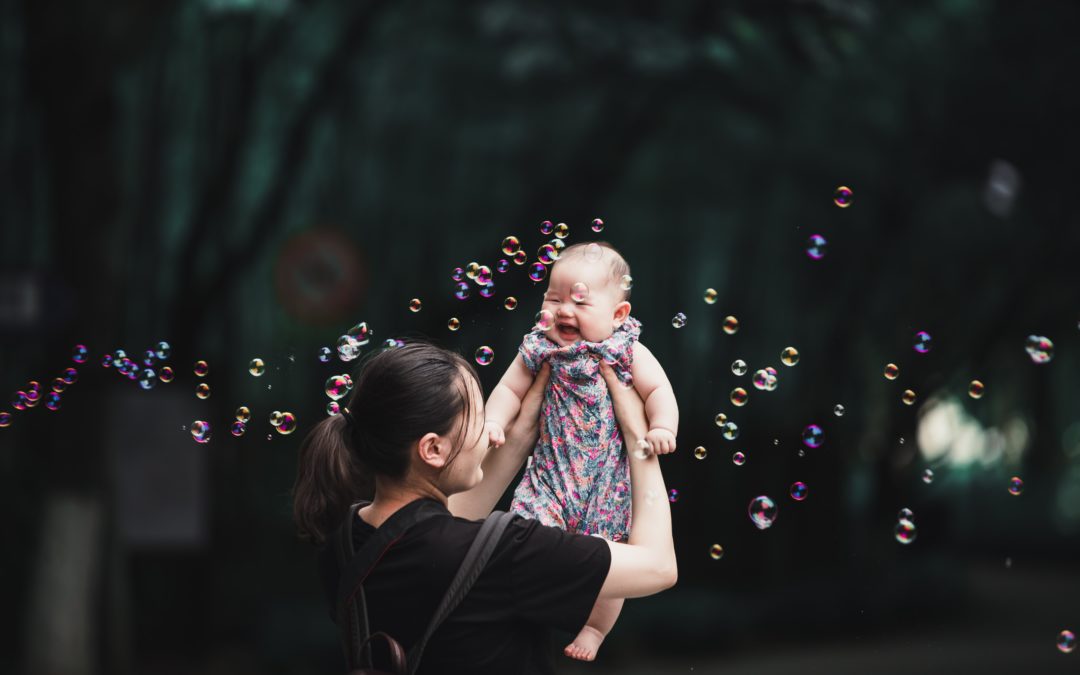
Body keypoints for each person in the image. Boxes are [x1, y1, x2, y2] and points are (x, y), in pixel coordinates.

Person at [292, 340, 677, 674]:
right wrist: (636, 438)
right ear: (433, 449)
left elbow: (443, 537)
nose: (490, 431)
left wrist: (526, 426)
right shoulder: (509, 554)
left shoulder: (343, 545)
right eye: (479, 418)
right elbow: (658, 567)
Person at [482, 241, 679, 660]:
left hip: (607, 487)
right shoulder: (539, 346)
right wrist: (494, 421)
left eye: (580, 302)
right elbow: (508, 389)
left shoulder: (625, 349)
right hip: (550, 478)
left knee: (613, 558)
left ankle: (595, 627)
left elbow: (658, 389)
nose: (563, 311)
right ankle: (527, 606)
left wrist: (662, 426)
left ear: (618, 314)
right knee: (527, 536)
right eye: (554, 299)